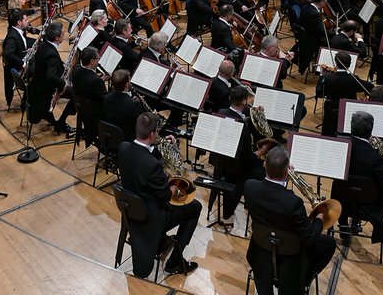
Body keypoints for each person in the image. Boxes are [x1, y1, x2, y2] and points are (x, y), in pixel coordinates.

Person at [117, 112, 202, 278]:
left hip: (131, 209)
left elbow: (144, 154)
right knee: (195, 207)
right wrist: (174, 182)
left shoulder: (124, 148)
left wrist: (163, 147)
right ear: (152, 134)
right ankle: (175, 262)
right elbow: (165, 196)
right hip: (152, 216)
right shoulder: (152, 166)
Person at [243, 146, 337, 294]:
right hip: (290, 259)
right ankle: (303, 280)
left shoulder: (249, 187)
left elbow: (268, 192)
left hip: (260, 250)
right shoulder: (294, 202)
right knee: (329, 243)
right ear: (287, 170)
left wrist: (281, 173)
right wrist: (319, 217)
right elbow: (310, 239)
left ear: (265, 165)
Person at [332, 111, 383, 243]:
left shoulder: (339, 149)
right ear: (370, 130)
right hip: (369, 203)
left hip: (342, 200)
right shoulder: (375, 158)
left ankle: (343, 225)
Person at [212, 85, 265, 226]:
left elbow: (238, 114)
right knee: (263, 172)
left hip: (220, 162)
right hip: (238, 170)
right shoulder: (243, 130)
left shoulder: (221, 112)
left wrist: (254, 113)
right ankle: (252, 205)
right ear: (244, 101)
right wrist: (263, 150)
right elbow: (249, 160)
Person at [26, 22, 73, 136]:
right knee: (75, 93)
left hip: (36, 85)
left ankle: (50, 118)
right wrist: (63, 84)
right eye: (62, 34)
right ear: (57, 38)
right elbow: (51, 76)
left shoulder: (43, 45)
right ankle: (61, 122)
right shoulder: (51, 53)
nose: (63, 36)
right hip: (45, 90)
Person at [319, 52, 365, 136]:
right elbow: (369, 86)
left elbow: (319, 93)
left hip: (331, 111)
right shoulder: (354, 79)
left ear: (336, 63)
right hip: (348, 110)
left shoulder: (328, 78)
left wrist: (322, 75)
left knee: (328, 134)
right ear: (350, 64)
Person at [71, 47, 108, 147]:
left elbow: (87, 82)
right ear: (92, 61)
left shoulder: (76, 69)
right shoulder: (96, 81)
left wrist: (99, 80)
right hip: (94, 114)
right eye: (98, 58)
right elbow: (105, 99)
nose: (99, 60)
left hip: (81, 108)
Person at [1, 8, 33, 110]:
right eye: (26, 20)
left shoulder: (19, 31)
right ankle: (28, 100)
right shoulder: (12, 36)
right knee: (41, 72)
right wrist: (22, 64)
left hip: (22, 61)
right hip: (17, 69)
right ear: (19, 22)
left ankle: (27, 99)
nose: (28, 21)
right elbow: (8, 53)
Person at [103, 69, 147, 141]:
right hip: (129, 138)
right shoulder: (134, 105)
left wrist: (131, 100)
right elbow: (142, 125)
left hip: (113, 135)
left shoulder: (106, 98)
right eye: (129, 80)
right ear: (126, 84)